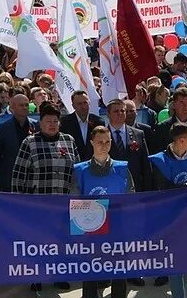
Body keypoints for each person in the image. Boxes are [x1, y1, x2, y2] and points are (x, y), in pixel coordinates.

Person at [11, 101, 78, 291]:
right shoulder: (29, 142)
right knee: (38, 242)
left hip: (63, 203)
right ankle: (36, 276)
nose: (52, 124)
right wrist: (19, 203)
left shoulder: (69, 140)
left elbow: (77, 171)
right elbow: (18, 175)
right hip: (37, 203)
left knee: (61, 241)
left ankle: (59, 275)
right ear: (40, 123)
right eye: (48, 121)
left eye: (55, 121)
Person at [72, 125, 133, 298]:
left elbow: (130, 197)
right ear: (92, 142)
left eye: (107, 141)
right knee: (90, 272)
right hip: (91, 229)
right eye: (100, 142)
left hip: (118, 228)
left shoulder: (122, 168)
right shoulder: (80, 170)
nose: (104, 145)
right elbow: (73, 200)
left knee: (119, 271)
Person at [148, 122, 187, 296]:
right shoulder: (159, 160)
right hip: (171, 221)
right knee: (176, 266)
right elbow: (165, 189)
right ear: (181, 140)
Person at [0, 93, 36, 192]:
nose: (24, 107)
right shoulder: (2, 128)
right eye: (21, 105)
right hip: (9, 180)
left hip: (33, 181)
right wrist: (3, 173)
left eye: (26, 105)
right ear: (12, 108)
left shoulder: (36, 126)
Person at [106, 99, 152, 193]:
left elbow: (146, 166)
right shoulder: (100, 136)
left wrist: (148, 191)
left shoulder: (138, 134)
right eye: (116, 111)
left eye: (122, 111)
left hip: (135, 189)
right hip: (110, 189)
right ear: (108, 114)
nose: (120, 113)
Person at [59, 90, 103, 162]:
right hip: (73, 163)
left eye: (85, 103)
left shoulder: (98, 122)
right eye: (79, 104)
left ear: (89, 103)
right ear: (73, 106)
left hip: (94, 164)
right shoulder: (64, 123)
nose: (83, 106)